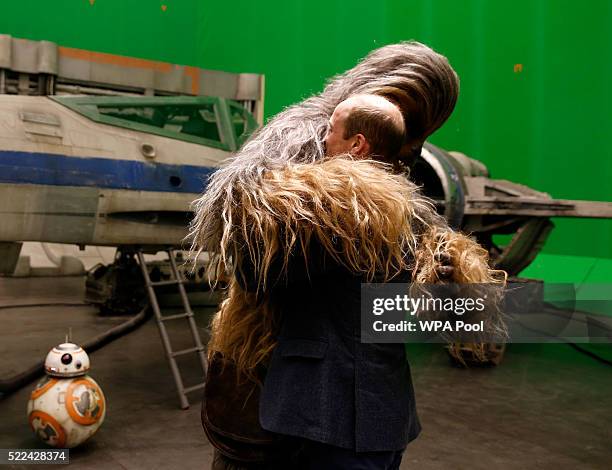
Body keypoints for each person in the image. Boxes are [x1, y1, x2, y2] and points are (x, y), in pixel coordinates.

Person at [190, 42, 506, 470]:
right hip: (282, 377)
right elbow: (242, 242)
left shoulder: (394, 180)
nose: (409, 145)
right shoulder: (309, 140)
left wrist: (449, 275)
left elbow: (422, 295)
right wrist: (351, 226)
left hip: (356, 404)